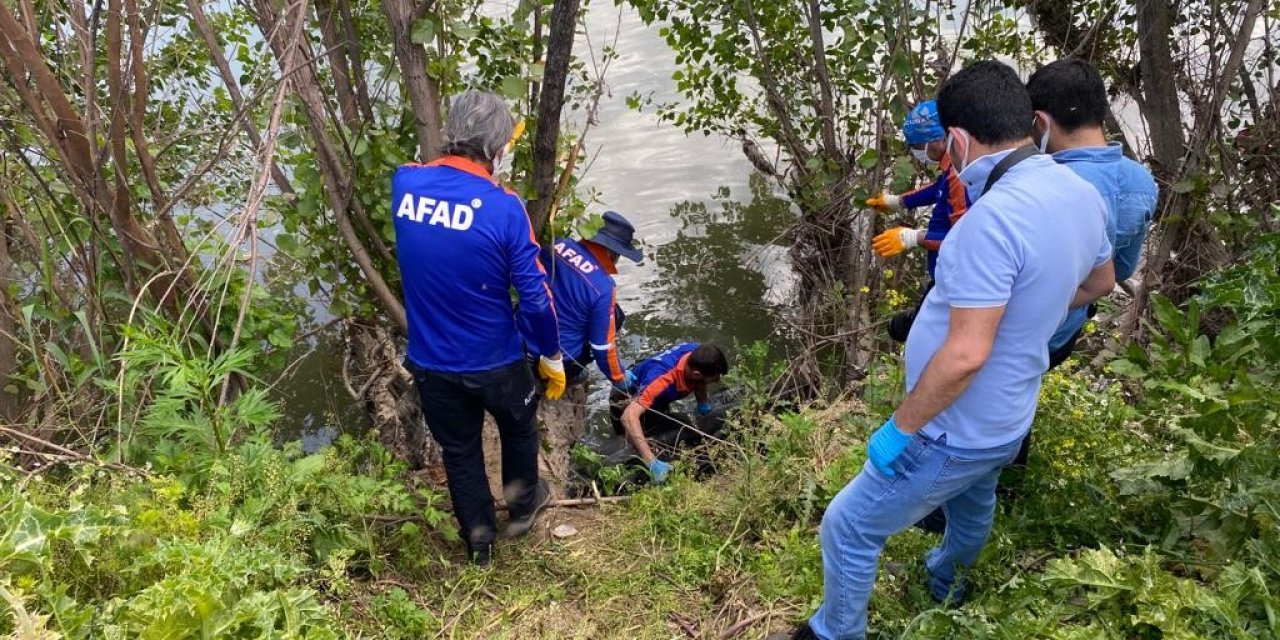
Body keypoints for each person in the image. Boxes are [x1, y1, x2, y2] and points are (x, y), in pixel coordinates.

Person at [770, 61, 1114, 640]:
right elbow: (1100, 282)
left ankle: (835, 632)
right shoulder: (1079, 191)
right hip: (1006, 418)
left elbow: (964, 356)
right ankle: (946, 580)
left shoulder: (991, 221)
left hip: (955, 428)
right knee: (973, 507)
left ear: (955, 140)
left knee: (848, 526)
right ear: (1030, 122)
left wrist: (900, 430)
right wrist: (1030, 317)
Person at [392, 90, 565, 566]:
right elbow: (534, 297)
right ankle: (523, 509)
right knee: (519, 430)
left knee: (460, 450)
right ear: (496, 148)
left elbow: (425, 177)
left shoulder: (404, 185)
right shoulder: (505, 208)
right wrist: (551, 356)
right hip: (496, 361)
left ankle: (479, 543)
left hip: (432, 363)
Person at [1028, 59, 1159, 369]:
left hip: (1026, 333)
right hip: (1064, 334)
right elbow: (1123, 268)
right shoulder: (1142, 181)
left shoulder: (1044, 184)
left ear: (1040, 122)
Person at [866, 99, 971, 343]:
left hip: (953, 278)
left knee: (913, 331)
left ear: (937, 139)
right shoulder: (953, 167)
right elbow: (937, 189)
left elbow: (964, 241)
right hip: (942, 272)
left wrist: (914, 237)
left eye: (918, 145)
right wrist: (896, 202)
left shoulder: (959, 176)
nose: (916, 152)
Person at [525, 211, 642, 387]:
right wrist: (619, 378)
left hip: (519, 341)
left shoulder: (556, 244)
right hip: (551, 362)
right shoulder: (603, 288)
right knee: (615, 316)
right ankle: (573, 374)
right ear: (613, 253)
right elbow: (602, 346)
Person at [610, 343, 729, 483]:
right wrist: (651, 462)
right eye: (715, 377)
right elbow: (629, 417)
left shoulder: (697, 353)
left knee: (659, 425)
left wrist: (702, 404)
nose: (718, 380)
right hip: (628, 396)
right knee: (628, 440)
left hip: (656, 394)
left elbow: (699, 380)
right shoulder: (661, 380)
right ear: (696, 374)